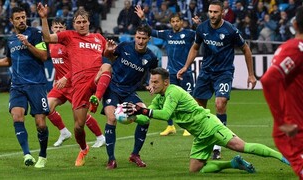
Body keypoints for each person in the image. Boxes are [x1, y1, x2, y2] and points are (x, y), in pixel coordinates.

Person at [122, 67, 290, 173]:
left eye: (156, 81)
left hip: (208, 125)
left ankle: (282, 156)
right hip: (200, 135)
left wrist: (142, 109)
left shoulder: (173, 91)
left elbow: (165, 115)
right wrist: (134, 116)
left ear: (165, 82)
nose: (152, 85)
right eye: (151, 81)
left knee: (241, 146)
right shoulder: (160, 98)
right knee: (196, 169)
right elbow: (147, 117)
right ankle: (233, 163)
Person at [177, 0, 257, 160]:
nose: (212, 15)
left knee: (220, 103)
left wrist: (251, 74)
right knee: (198, 109)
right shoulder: (202, 28)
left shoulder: (231, 30)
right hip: (206, 72)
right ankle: (204, 140)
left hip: (224, 73)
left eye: (215, 12)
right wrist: (186, 66)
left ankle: (217, 145)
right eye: (210, 11)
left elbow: (246, 49)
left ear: (222, 13)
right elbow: (194, 48)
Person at [37, 3, 113, 166]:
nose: (82, 24)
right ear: (73, 24)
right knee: (78, 127)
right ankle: (83, 148)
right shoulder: (69, 36)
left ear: (89, 22)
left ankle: (96, 99)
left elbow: (109, 56)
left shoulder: (99, 38)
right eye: (78, 22)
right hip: (78, 85)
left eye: (84, 21)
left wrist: (110, 51)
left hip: (95, 78)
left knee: (106, 67)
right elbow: (48, 38)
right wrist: (43, 18)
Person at [0, 7, 49, 168]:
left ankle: (43, 154)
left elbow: (44, 56)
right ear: (11, 21)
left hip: (36, 84)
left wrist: (27, 44)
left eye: (23, 17)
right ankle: (27, 154)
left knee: (41, 124)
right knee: (17, 117)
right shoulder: (10, 39)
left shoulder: (35, 33)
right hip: (17, 85)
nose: (21, 20)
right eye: (17, 18)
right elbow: (8, 60)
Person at [103, 24, 158, 169]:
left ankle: (135, 154)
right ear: (135, 36)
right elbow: (108, 57)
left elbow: (154, 73)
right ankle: (111, 159)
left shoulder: (150, 57)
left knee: (145, 117)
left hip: (129, 93)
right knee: (112, 118)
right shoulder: (124, 46)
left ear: (149, 39)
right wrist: (108, 51)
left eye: (143, 39)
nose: (140, 41)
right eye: (138, 38)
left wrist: (151, 84)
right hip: (112, 88)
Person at [136, 6, 195, 136]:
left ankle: (188, 126)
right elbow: (151, 31)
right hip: (171, 73)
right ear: (170, 23)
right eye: (172, 21)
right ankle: (170, 126)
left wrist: (199, 25)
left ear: (181, 22)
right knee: (166, 99)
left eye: (177, 21)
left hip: (186, 73)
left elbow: (202, 36)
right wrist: (143, 18)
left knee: (187, 100)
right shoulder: (167, 34)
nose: (175, 23)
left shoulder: (190, 34)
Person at [47, 17, 106, 148]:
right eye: (55, 27)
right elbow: (59, 65)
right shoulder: (51, 44)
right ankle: (63, 132)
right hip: (60, 85)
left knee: (81, 118)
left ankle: (100, 137)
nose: (58, 30)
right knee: (46, 107)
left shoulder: (69, 42)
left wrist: (66, 77)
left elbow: (76, 65)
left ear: (65, 29)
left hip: (73, 83)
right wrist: (57, 78)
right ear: (51, 29)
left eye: (60, 28)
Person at [261, 6, 303, 179]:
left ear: (294, 23)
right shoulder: (296, 48)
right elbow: (269, 79)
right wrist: (282, 122)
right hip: (296, 132)